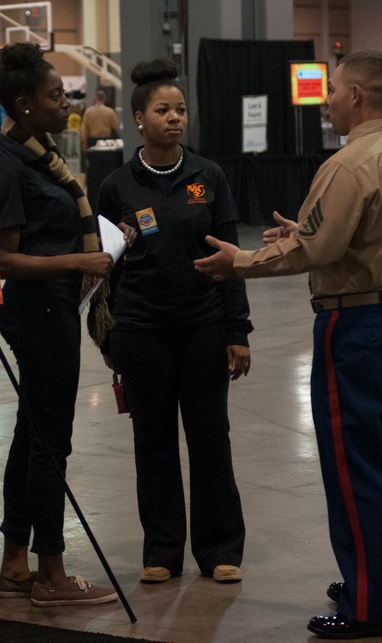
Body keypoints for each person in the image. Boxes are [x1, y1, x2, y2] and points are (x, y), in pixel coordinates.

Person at [194, 50, 382, 640]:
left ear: (355, 96)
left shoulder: (351, 163)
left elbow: (317, 253)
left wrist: (242, 261)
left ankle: (373, 607)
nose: (326, 100)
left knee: (356, 470)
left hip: (355, 329)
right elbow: (359, 236)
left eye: (332, 90)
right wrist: (303, 233)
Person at [96, 58, 252, 587]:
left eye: (180, 110)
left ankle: (220, 549)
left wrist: (238, 331)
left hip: (203, 326)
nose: (174, 118)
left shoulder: (208, 177)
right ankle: (162, 550)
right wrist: (109, 336)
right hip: (141, 329)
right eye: (162, 110)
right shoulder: (116, 184)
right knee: (154, 443)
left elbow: (231, 257)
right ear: (138, 118)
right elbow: (107, 269)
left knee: (210, 438)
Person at [0, 41, 117, 607]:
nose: (68, 102)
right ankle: (52, 575)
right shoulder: (8, 166)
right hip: (37, 310)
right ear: (22, 103)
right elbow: (4, 262)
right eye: (56, 95)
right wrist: (80, 261)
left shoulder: (41, 156)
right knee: (49, 445)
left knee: (30, 436)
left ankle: (15, 565)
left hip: (54, 307)